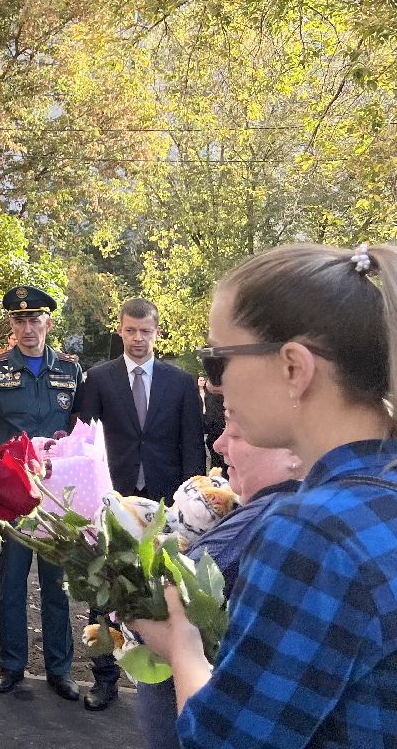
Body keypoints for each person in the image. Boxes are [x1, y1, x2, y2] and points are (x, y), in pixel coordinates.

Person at [133, 242, 397, 749]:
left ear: (294, 367)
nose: (215, 388)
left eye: (217, 362)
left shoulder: (315, 531)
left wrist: (182, 647)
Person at [134, 415, 305, 749]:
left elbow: (162, 602)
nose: (219, 444)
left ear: (294, 451)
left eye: (237, 433)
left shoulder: (257, 524)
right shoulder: (292, 510)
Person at [80, 297, 204, 710]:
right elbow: (85, 445)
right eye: (130, 330)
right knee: (104, 590)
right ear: (120, 330)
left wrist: (189, 507)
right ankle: (104, 679)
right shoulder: (98, 379)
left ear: (157, 332)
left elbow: (191, 446)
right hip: (112, 504)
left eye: (145, 331)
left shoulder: (181, 383)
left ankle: (163, 679)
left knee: (163, 590)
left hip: (164, 504)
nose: (137, 338)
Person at [0, 285, 83, 700]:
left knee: (57, 585)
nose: (28, 328)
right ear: (12, 326)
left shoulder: (71, 370)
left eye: (35, 320)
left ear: (49, 324)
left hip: (55, 496)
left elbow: (78, 429)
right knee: (13, 581)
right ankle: (12, 664)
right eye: (19, 321)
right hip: (13, 493)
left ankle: (60, 669)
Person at [199, 377, 226, 472]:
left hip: (216, 429)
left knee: (218, 462)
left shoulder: (212, 395)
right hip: (215, 429)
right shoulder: (210, 395)